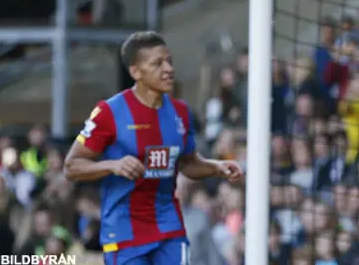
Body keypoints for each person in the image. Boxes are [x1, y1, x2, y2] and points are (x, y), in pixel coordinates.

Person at [63, 31, 243, 265]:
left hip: (170, 229)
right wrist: (113, 165)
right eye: (157, 64)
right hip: (125, 231)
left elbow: (187, 163)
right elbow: (71, 166)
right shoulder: (110, 112)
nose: (168, 68)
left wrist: (216, 167)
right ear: (135, 71)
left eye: (169, 61)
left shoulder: (181, 112)